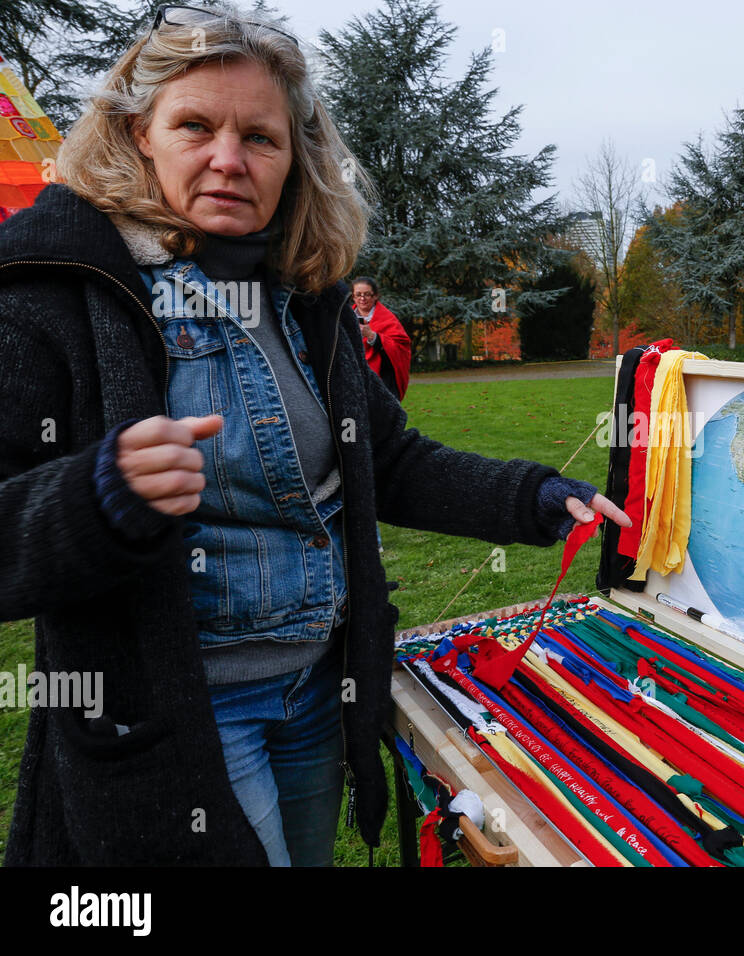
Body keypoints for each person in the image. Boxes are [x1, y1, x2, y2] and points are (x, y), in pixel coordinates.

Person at [0, 3, 628, 866]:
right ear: (139, 134)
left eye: (260, 137)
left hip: (317, 694)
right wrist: (96, 495)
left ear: (295, 160)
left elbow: (392, 460)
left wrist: (530, 495)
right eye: (195, 126)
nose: (229, 158)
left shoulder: (303, 295)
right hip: (179, 717)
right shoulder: (53, 291)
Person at [351, 276, 411, 401]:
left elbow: (400, 348)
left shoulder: (387, 318)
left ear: (375, 296)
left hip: (381, 380)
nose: (362, 298)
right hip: (352, 379)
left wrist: (372, 336)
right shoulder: (345, 317)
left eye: (367, 294)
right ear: (353, 296)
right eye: (358, 294)